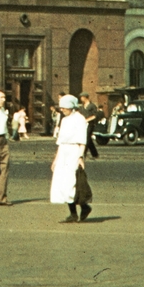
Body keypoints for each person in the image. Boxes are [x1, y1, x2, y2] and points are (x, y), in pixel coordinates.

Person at [49, 95, 92, 223]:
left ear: (71, 106)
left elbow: (82, 140)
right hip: (63, 152)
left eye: (64, 107)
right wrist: (56, 160)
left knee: (71, 183)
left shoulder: (79, 119)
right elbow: (60, 141)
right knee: (62, 183)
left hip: (74, 152)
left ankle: (84, 207)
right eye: (61, 108)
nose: (62, 110)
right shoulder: (64, 120)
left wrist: (80, 156)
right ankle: (73, 214)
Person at [80, 94, 101, 159]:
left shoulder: (92, 106)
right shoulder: (81, 107)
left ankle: (83, 153)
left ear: (85, 97)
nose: (81, 99)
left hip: (90, 124)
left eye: (82, 97)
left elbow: (95, 116)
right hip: (83, 124)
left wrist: (87, 120)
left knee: (86, 138)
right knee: (89, 140)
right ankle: (95, 154)